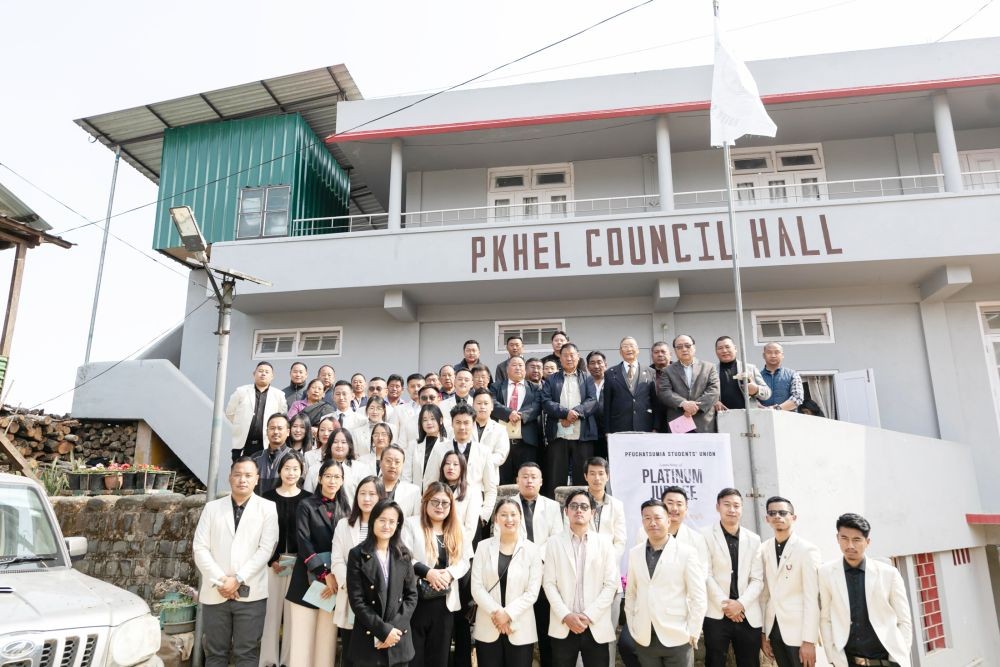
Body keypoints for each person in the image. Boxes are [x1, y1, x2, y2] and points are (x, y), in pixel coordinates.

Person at [193, 457, 278, 667]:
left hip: (252, 593)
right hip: (216, 591)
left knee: (247, 653)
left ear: (257, 479)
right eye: (238, 474)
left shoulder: (267, 508)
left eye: (248, 475)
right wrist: (223, 581)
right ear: (230, 477)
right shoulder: (212, 508)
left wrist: (238, 578)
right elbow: (199, 548)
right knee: (214, 653)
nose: (243, 480)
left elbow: (265, 549)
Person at [620, 485, 710, 667]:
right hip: (645, 635)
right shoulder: (636, 553)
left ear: (668, 520)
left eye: (657, 518)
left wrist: (693, 631)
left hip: (677, 635)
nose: (652, 522)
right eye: (647, 518)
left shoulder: (687, 551)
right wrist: (633, 626)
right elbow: (631, 593)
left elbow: (698, 595)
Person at [819, 514, 912, 667]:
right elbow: (826, 619)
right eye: (844, 538)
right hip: (848, 661)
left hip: (887, 661)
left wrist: (898, 658)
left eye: (856, 540)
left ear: (867, 542)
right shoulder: (826, 573)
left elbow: (904, 621)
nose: (850, 545)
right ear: (837, 538)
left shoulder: (889, 574)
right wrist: (834, 657)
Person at [543, 489, 620, 667]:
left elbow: (610, 585)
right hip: (564, 625)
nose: (579, 510)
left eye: (584, 507)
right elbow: (549, 584)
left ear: (592, 513)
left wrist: (588, 616)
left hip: (595, 625)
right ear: (566, 511)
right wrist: (566, 615)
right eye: (574, 506)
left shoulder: (604, 543)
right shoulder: (554, 543)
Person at [285, 459, 350, 667]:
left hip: (335, 583)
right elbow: (303, 542)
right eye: (328, 476)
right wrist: (324, 574)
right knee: (302, 642)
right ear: (320, 478)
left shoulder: (347, 510)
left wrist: (335, 576)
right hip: (307, 580)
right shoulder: (306, 505)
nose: (332, 481)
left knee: (327, 643)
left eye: (337, 477)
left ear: (342, 481)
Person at [401, 483, 471, 667]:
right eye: (435, 502)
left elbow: (465, 561)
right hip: (417, 601)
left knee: (439, 659)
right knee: (415, 658)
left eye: (445, 503)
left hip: (445, 604)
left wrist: (448, 574)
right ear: (425, 502)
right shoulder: (411, 524)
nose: (440, 507)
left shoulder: (458, 528)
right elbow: (403, 557)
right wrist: (428, 573)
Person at [471, 498, 543, 667]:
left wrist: (507, 614)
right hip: (489, 625)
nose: (509, 519)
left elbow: (532, 592)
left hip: (520, 627)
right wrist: (497, 614)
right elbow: (477, 587)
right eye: (503, 515)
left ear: (520, 518)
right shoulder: (483, 547)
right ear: (496, 518)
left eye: (513, 514)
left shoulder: (532, 550)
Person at [346, 500, 418, 667]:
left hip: (398, 639)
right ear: (373, 521)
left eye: (392, 521)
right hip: (368, 638)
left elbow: (411, 596)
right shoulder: (357, 554)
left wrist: (393, 631)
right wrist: (383, 631)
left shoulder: (404, 554)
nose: (387, 526)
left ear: (398, 525)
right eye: (382, 520)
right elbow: (357, 601)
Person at [701, 488, 764, 667]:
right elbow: (706, 574)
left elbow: (757, 579)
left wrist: (740, 604)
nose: (732, 509)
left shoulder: (754, 539)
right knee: (714, 662)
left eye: (736, 505)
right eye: (727, 505)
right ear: (717, 507)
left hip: (747, 614)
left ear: (742, 509)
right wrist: (728, 605)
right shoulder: (704, 535)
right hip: (717, 613)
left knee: (750, 663)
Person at [759, 496, 822, 667]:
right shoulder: (764, 549)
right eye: (772, 513)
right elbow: (765, 595)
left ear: (793, 517)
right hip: (775, 629)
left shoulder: (807, 550)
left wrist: (809, 640)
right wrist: (764, 633)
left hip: (799, 633)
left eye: (782, 512)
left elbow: (812, 598)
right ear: (767, 519)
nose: (777, 516)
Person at [260, 451, 309, 667]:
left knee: (293, 615)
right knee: (270, 614)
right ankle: (267, 660)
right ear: (279, 470)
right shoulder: (267, 497)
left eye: (295, 469)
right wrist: (272, 560)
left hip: (298, 564)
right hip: (273, 563)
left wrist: (301, 561)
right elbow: (260, 533)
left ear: (301, 472)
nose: (291, 473)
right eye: (287, 468)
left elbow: (308, 534)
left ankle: (290, 661)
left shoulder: (308, 499)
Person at [331, 476, 386, 667]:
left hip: (378, 600)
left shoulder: (387, 526)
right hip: (351, 597)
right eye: (362, 493)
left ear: (381, 497)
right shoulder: (344, 524)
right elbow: (337, 560)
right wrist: (353, 586)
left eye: (372, 494)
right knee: (350, 654)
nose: (367, 499)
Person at [514, 461, 564, 667]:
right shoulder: (507, 505)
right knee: (519, 629)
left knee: (545, 630)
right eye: (525, 476)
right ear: (517, 480)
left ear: (541, 481)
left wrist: (534, 557)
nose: (529, 480)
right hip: (517, 572)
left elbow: (556, 537)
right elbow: (504, 537)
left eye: (534, 477)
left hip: (545, 572)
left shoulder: (552, 506)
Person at [424, 404, 498, 530]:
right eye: (458, 422)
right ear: (452, 424)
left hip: (474, 515)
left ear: (473, 424)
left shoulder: (483, 451)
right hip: (442, 512)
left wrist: (483, 515)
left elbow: (490, 488)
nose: (462, 427)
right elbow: (429, 482)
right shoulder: (439, 449)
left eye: (466, 423)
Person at [583, 456, 626, 667]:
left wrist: (605, 563)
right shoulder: (578, 503)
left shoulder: (616, 505)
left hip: (610, 580)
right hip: (581, 578)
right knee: (581, 635)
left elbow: (621, 540)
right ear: (585, 476)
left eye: (601, 474)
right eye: (592, 473)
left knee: (607, 635)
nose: (597, 478)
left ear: (607, 477)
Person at [542, 343, 599, 495]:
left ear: (578, 357)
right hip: (558, 435)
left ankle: (583, 508)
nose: (569, 358)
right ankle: (554, 511)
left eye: (572, 355)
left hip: (583, 435)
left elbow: (593, 401)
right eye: (565, 355)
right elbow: (546, 402)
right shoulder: (552, 379)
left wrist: (575, 413)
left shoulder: (587, 378)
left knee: (582, 477)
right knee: (555, 477)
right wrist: (565, 413)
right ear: (559, 358)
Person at [492, 356, 542, 484]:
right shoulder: (496, 387)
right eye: (514, 365)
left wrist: (520, 415)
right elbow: (492, 403)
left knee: (527, 479)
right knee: (503, 480)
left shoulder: (535, 388)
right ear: (507, 369)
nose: (518, 368)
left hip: (527, 443)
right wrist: (509, 413)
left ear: (525, 370)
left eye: (521, 365)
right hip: (503, 442)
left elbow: (536, 406)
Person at [657, 335, 721, 433]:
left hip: (704, 423)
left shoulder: (709, 367)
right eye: (679, 347)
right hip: (679, 423)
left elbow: (714, 391)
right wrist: (684, 403)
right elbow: (664, 392)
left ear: (694, 347)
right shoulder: (667, 371)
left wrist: (695, 407)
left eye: (687, 345)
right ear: (675, 351)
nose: (684, 349)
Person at [226, 362, 288, 460]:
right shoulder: (241, 391)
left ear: (272, 376)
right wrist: (242, 424)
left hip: (266, 443)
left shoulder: (279, 395)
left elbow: (282, 417)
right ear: (254, 374)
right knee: (240, 472)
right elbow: (230, 413)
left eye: (267, 372)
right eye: (260, 371)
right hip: (243, 443)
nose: (263, 374)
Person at [603, 336, 657, 436]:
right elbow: (607, 405)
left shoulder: (650, 372)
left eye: (632, 346)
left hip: (645, 426)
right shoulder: (610, 373)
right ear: (620, 351)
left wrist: (655, 427)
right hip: (619, 427)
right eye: (625, 346)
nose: (629, 349)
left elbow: (655, 402)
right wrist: (607, 430)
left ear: (638, 350)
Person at [303, 428, 374, 501]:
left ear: (349, 445)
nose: (339, 445)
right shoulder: (315, 469)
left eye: (343, 442)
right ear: (330, 445)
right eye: (335, 442)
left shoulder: (361, 469)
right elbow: (307, 497)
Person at [714, 336, 771, 411]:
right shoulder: (712, 371)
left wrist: (756, 390)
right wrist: (714, 401)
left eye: (727, 347)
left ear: (735, 348)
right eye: (720, 348)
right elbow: (705, 393)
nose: (724, 350)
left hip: (748, 417)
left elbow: (767, 393)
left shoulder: (750, 368)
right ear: (716, 351)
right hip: (721, 417)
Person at [438, 450, 481, 539]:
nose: (450, 467)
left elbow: (470, 528)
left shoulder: (472, 492)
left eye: (455, 464)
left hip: (459, 542)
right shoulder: (435, 490)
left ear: (462, 468)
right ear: (442, 467)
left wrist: (458, 549)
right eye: (447, 463)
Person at [404, 403, 447, 485]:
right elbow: (406, 475)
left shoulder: (447, 445)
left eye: (432, 419)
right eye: (425, 420)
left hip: (437, 493)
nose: (429, 423)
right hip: (415, 494)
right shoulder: (413, 445)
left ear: (440, 420)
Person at [251, 413, 291, 496]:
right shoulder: (255, 458)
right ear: (266, 431)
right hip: (258, 506)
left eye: (280, 428)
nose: (276, 432)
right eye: (272, 428)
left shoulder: (295, 458)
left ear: (288, 432)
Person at [471, 387, 510, 470]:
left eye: (486, 403)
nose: (482, 407)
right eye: (479, 403)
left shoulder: (500, 429)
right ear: (472, 405)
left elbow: (501, 455)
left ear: (492, 406)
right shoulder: (465, 426)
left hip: (490, 474)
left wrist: (480, 461)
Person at [759, 343, 804, 411]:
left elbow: (798, 398)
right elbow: (751, 399)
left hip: (788, 418)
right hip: (763, 417)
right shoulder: (757, 376)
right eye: (769, 352)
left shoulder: (793, 374)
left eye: (777, 352)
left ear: (782, 355)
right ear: (763, 355)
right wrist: (764, 409)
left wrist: (776, 409)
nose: (773, 356)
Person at [379, 444, 421, 517]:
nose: (392, 465)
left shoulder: (413, 491)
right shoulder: (369, 486)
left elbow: (415, 520)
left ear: (402, 465)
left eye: (397, 462)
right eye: (388, 461)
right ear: (380, 463)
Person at [303, 415, 338, 485]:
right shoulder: (308, 456)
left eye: (330, 430)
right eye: (322, 430)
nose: (325, 433)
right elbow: (305, 480)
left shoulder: (340, 455)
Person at [586, 351, 608, 458]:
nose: (596, 366)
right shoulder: (583, 384)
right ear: (587, 367)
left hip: (609, 432)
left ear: (605, 364)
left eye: (599, 362)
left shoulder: (613, 382)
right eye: (592, 363)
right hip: (590, 434)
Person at [353, 398, 389, 464]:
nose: (375, 412)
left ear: (383, 411)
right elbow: (355, 455)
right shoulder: (357, 432)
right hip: (363, 468)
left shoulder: (392, 429)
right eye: (371, 408)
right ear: (367, 411)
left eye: (378, 408)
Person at [649, 341, 672, 432]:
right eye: (656, 352)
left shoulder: (681, 372)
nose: (660, 354)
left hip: (678, 419)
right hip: (653, 423)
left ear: (670, 354)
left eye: (663, 351)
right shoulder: (646, 374)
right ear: (652, 356)